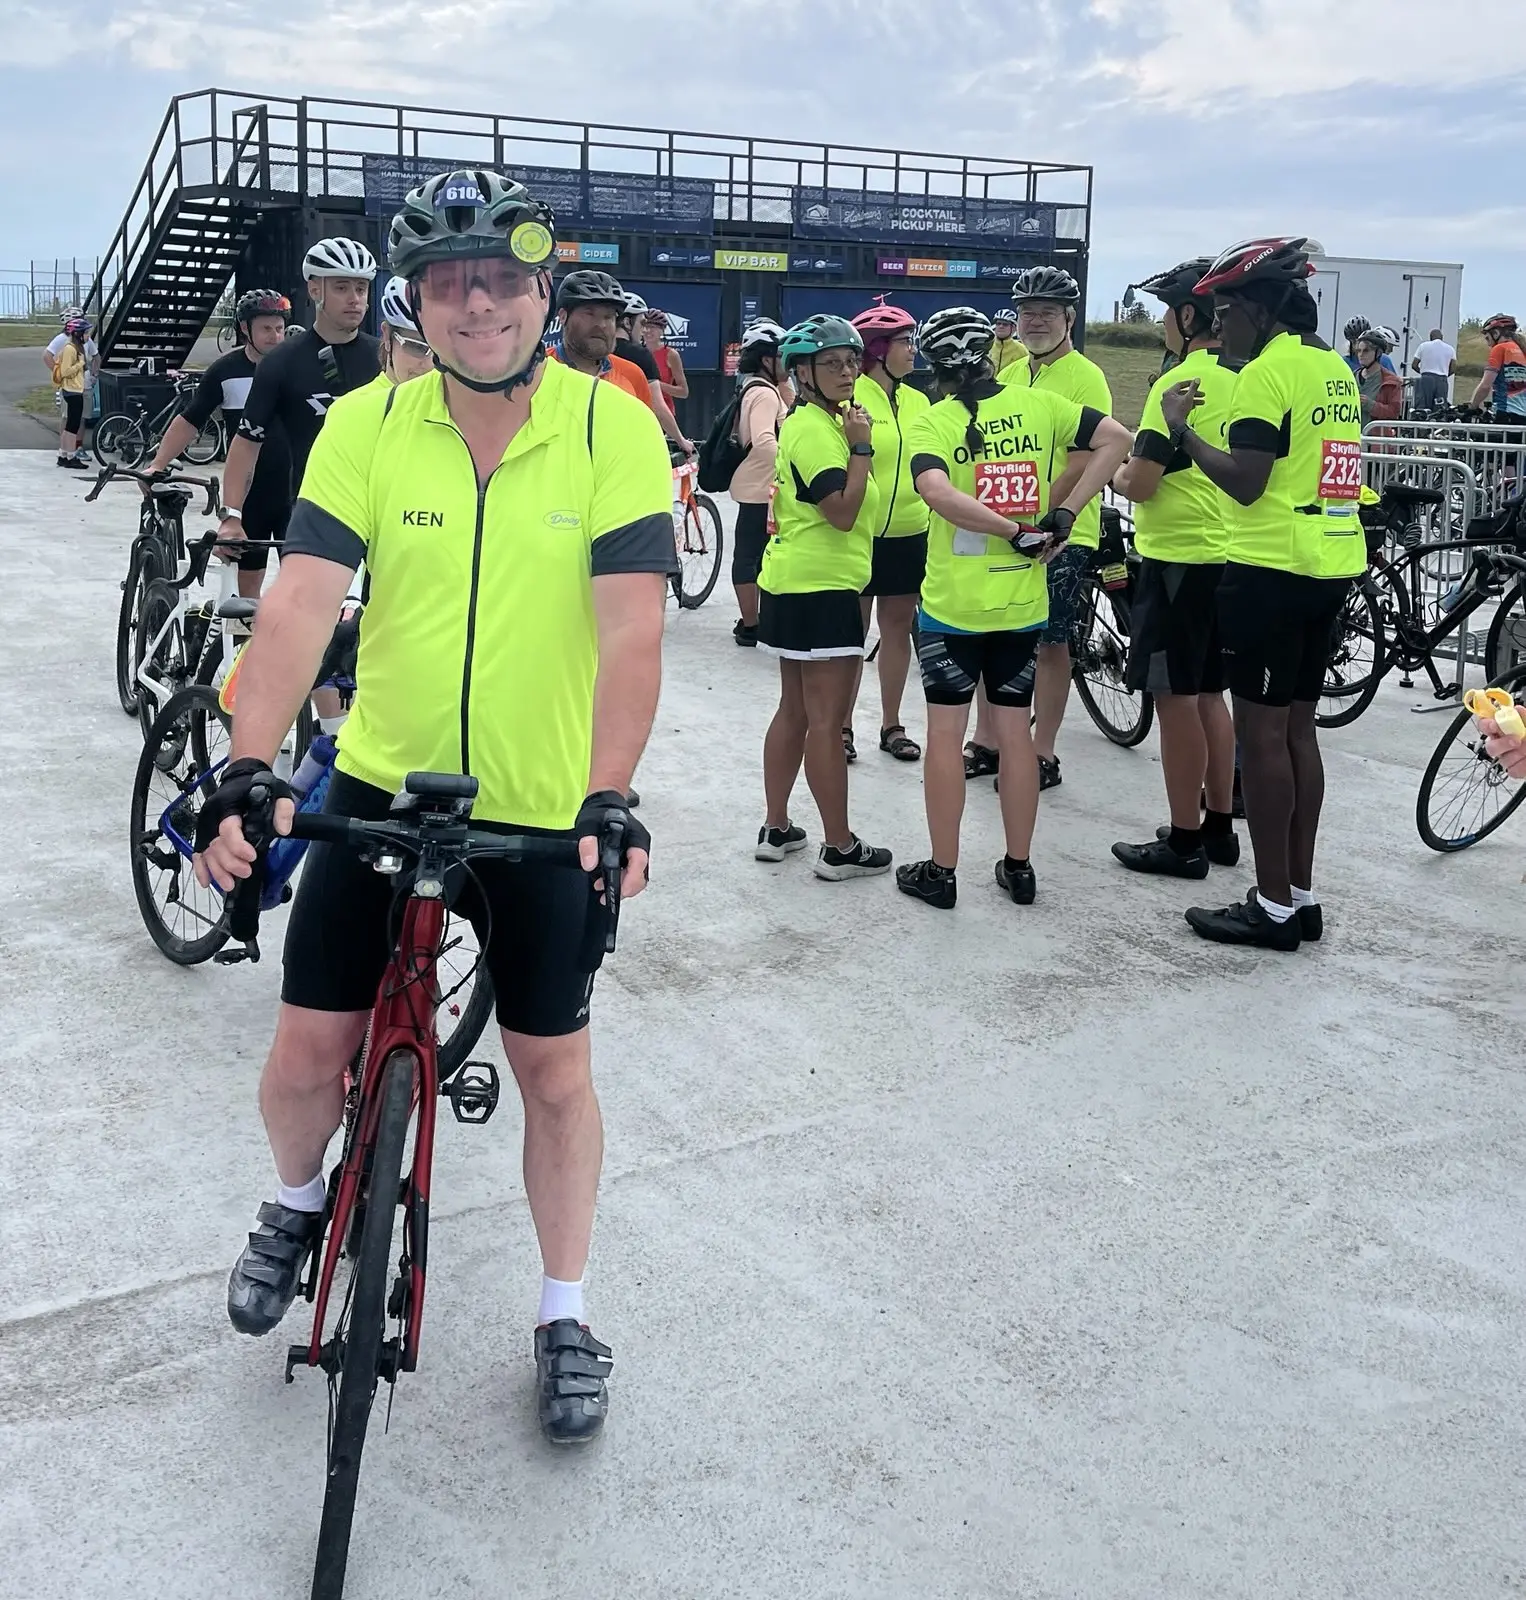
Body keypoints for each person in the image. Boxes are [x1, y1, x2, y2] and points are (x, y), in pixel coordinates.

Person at [192, 168, 671, 1446]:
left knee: (552, 1075)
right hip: (380, 778)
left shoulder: (609, 426)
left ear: (540, 288)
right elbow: (298, 602)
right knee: (304, 1056)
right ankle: (298, 1199)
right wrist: (248, 760)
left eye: (502, 279)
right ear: (415, 300)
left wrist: (609, 794)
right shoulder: (368, 423)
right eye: (450, 284)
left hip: (542, 803)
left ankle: (564, 1311)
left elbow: (631, 638)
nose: (477, 307)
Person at [1157, 236, 1364, 951]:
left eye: (1224, 312)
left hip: (1269, 567)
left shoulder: (1263, 376)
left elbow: (1246, 480)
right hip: (1330, 562)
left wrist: (1183, 433)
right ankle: (1300, 896)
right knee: (1300, 734)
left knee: (1264, 739)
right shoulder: (1332, 366)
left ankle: (1271, 907)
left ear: (1256, 308)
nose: (1218, 328)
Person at [897, 307, 1130, 909]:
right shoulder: (1039, 405)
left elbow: (936, 491)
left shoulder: (931, 421)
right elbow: (1117, 440)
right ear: (990, 353)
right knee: (1015, 733)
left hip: (951, 607)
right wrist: (1064, 515)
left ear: (934, 363)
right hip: (1021, 604)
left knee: (946, 738)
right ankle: (1019, 868)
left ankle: (942, 872)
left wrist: (1007, 528)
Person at [1108, 258, 1241, 880]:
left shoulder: (1179, 382)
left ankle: (1183, 840)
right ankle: (1217, 827)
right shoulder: (1244, 377)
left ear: (1189, 316)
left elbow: (1139, 481)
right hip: (1228, 558)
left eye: (1167, 313)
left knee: (1174, 699)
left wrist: (1111, 471)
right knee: (1213, 695)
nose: (1162, 325)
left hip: (1177, 559)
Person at [755, 314, 893, 881]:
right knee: (826, 721)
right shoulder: (815, 428)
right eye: (831, 362)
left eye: (852, 360)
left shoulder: (817, 422)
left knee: (795, 709)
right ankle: (838, 847)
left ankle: (777, 827)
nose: (846, 370)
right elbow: (840, 512)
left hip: (795, 582)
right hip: (823, 585)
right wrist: (861, 450)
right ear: (802, 372)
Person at [979, 264, 1113, 793]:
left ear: (1069, 319)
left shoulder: (1086, 376)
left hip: (1062, 531)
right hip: (1008, 528)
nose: (1035, 322)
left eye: (1047, 313)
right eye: (1027, 312)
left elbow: (1085, 459)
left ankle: (1043, 752)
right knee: (997, 635)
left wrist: (1041, 520)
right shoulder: (1009, 374)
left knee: (1050, 642)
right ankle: (988, 742)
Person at [217, 238, 380, 601]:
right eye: (342, 287)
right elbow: (245, 445)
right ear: (314, 289)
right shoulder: (282, 362)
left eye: (361, 287)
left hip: (381, 516)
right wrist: (231, 516)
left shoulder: (384, 357)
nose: (355, 298)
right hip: (313, 515)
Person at [846, 301, 930, 764]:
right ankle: (842, 725)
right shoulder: (849, 397)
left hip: (911, 532)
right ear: (877, 350)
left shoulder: (919, 400)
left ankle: (892, 725)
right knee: (852, 633)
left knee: (896, 631)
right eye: (905, 343)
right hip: (861, 532)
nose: (913, 351)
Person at [143, 292, 293, 532]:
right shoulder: (225, 370)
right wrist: (158, 465)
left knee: (299, 569)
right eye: (266, 329)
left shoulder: (298, 367)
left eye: (279, 328)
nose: (275, 337)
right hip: (248, 495)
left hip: (298, 492)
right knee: (249, 570)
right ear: (245, 328)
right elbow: (190, 420)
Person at [728, 318, 790, 646]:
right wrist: (793, 464)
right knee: (753, 557)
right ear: (767, 359)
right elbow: (765, 441)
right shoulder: (764, 394)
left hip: (757, 486)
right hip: (760, 489)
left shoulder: (760, 387)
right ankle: (752, 624)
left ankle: (753, 622)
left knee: (753, 555)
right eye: (783, 355)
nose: (789, 362)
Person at [548, 270, 652, 403]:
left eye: (608, 317)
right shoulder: (537, 372)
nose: (601, 325)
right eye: (589, 314)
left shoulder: (632, 376)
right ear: (563, 316)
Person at [616, 291, 694, 455]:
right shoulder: (640, 354)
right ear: (627, 323)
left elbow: (683, 391)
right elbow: (657, 405)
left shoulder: (596, 351)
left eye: (651, 327)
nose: (644, 330)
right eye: (642, 324)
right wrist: (681, 441)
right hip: (635, 430)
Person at [45, 316, 97, 462]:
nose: (88, 336)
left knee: (73, 425)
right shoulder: (70, 349)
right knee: (72, 425)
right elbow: (66, 371)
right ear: (77, 334)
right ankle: (70, 454)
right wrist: (80, 364)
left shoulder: (75, 348)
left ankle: (64, 454)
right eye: (85, 333)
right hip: (72, 390)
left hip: (77, 389)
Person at [373, 273, 437, 387]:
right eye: (417, 346)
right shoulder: (354, 404)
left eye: (439, 351)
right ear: (387, 336)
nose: (430, 365)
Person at [1469, 313, 1526, 423]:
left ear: (1496, 333)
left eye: (1487, 338)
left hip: (1506, 413)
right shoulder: (1523, 350)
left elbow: (1485, 386)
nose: (1488, 344)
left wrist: (1471, 407)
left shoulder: (1500, 348)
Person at [1354, 328, 1403, 424]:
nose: (1361, 355)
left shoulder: (1391, 382)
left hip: (1376, 436)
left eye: (1366, 351)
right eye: (1359, 351)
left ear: (1378, 353)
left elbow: (1394, 413)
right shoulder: (1351, 377)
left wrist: (1372, 406)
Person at [642, 306, 688, 403]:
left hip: (663, 408)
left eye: (653, 327)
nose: (648, 330)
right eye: (645, 326)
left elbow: (683, 392)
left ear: (662, 330)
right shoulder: (636, 351)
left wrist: (655, 384)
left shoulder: (670, 354)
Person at [1410, 327, 1455, 412]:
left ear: (1430, 337)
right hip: (1442, 380)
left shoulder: (1423, 346)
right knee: (1440, 408)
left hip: (1426, 378)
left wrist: (1423, 372)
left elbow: (1414, 365)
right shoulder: (1450, 349)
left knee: (1422, 407)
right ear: (1442, 337)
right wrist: (1444, 375)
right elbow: (1453, 368)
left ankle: (1421, 423)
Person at [991, 307, 1028, 375]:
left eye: (1005, 324)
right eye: (998, 323)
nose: (1001, 326)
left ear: (1013, 328)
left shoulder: (1022, 350)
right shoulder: (987, 346)